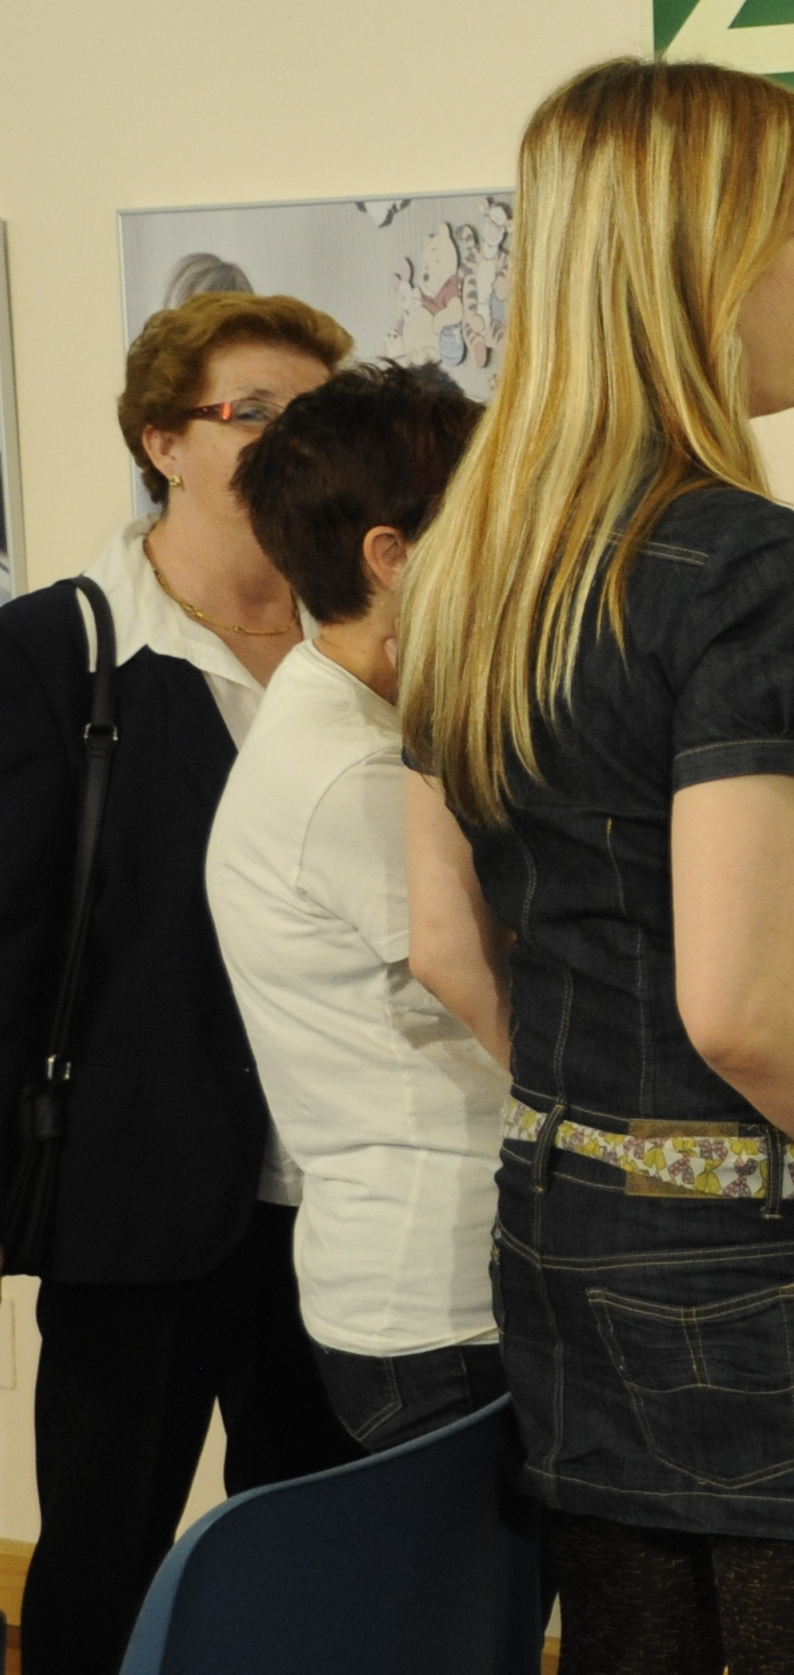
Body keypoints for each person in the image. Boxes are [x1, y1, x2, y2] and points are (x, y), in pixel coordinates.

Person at [397, 58, 794, 1675]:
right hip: (773, 1265)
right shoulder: (745, 560)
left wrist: (615, 1138)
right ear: (691, 260)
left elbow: (448, 943)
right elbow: (741, 1003)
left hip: (563, 1231)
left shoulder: (470, 558)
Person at [0, 291, 362, 1675]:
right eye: (251, 411)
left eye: (314, 414)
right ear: (164, 441)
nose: (290, 439)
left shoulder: (370, 645)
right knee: (103, 1559)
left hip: (340, 1196)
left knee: (314, 1557)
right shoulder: (59, 653)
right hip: (135, 1204)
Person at [204, 362, 507, 1453]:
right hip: (440, 1292)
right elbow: (479, 976)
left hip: (427, 1273)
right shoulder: (354, 769)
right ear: (392, 556)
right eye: (487, 515)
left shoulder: (345, 718)